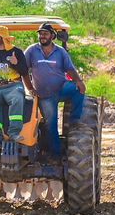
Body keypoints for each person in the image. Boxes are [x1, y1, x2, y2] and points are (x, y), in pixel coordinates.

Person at [24, 22, 87, 157]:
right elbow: (23, 70)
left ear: (52, 36)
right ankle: (56, 155)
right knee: (51, 126)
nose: (42, 36)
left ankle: (74, 121)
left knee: (78, 89)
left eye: (45, 34)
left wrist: (79, 81)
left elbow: (69, 68)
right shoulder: (32, 50)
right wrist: (30, 88)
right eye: (40, 34)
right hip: (45, 95)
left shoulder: (60, 51)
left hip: (61, 87)